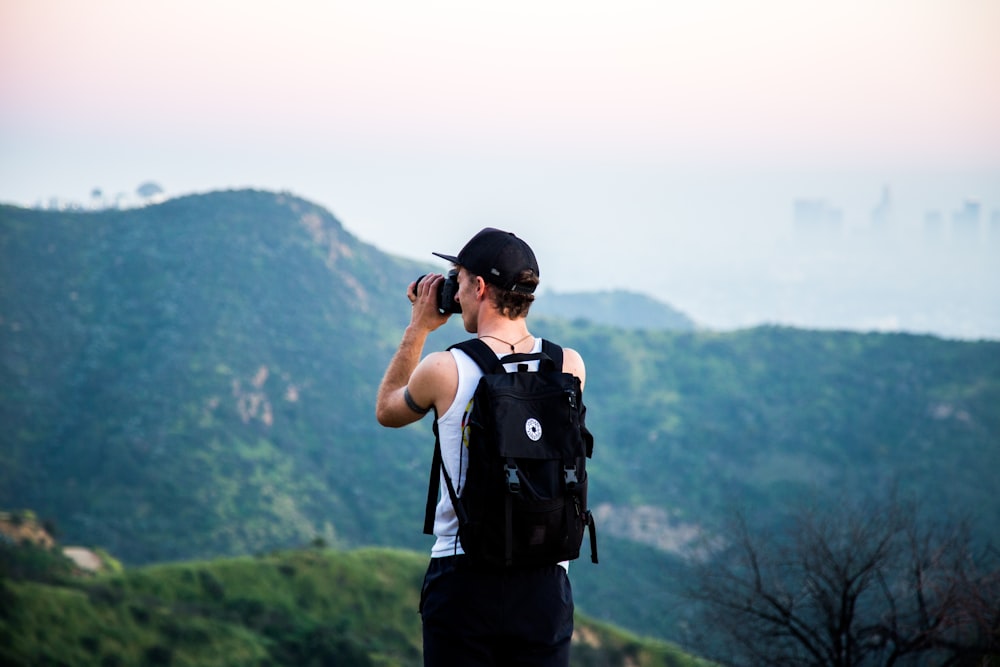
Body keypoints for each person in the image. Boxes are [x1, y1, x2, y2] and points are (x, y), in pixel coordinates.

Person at [375, 227, 587, 667]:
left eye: (459, 277)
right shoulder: (569, 365)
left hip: (464, 579)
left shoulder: (444, 369)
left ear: (479, 287)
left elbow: (387, 410)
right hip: (546, 580)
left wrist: (419, 326)